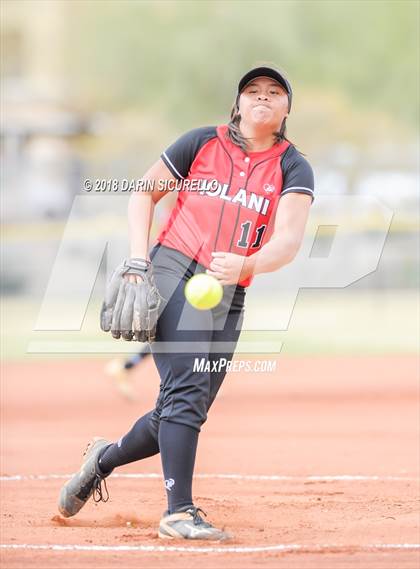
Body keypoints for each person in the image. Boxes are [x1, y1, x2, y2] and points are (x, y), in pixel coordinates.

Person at [58, 65, 314, 541]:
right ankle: (178, 512)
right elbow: (144, 192)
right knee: (186, 396)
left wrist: (247, 265)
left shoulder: (293, 166)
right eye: (252, 91)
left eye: (274, 92)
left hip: (232, 288)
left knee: (181, 407)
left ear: (286, 109)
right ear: (237, 104)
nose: (262, 97)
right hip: (174, 268)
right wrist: (139, 260)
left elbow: (289, 241)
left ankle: (102, 460)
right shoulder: (201, 142)